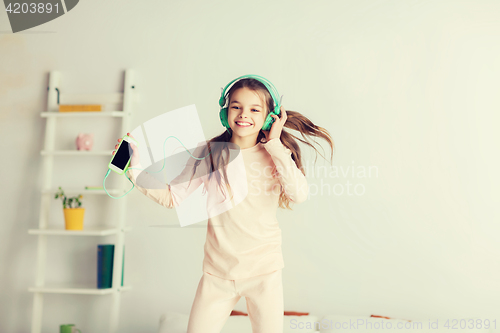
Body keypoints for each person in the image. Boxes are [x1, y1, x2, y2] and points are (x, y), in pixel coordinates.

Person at [112, 76, 334, 333]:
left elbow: (299, 194)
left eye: (254, 109)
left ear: (270, 117)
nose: (243, 115)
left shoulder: (275, 153)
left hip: (264, 272)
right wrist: (134, 169)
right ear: (225, 111)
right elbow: (173, 198)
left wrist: (274, 143)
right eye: (236, 106)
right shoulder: (209, 153)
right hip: (217, 274)